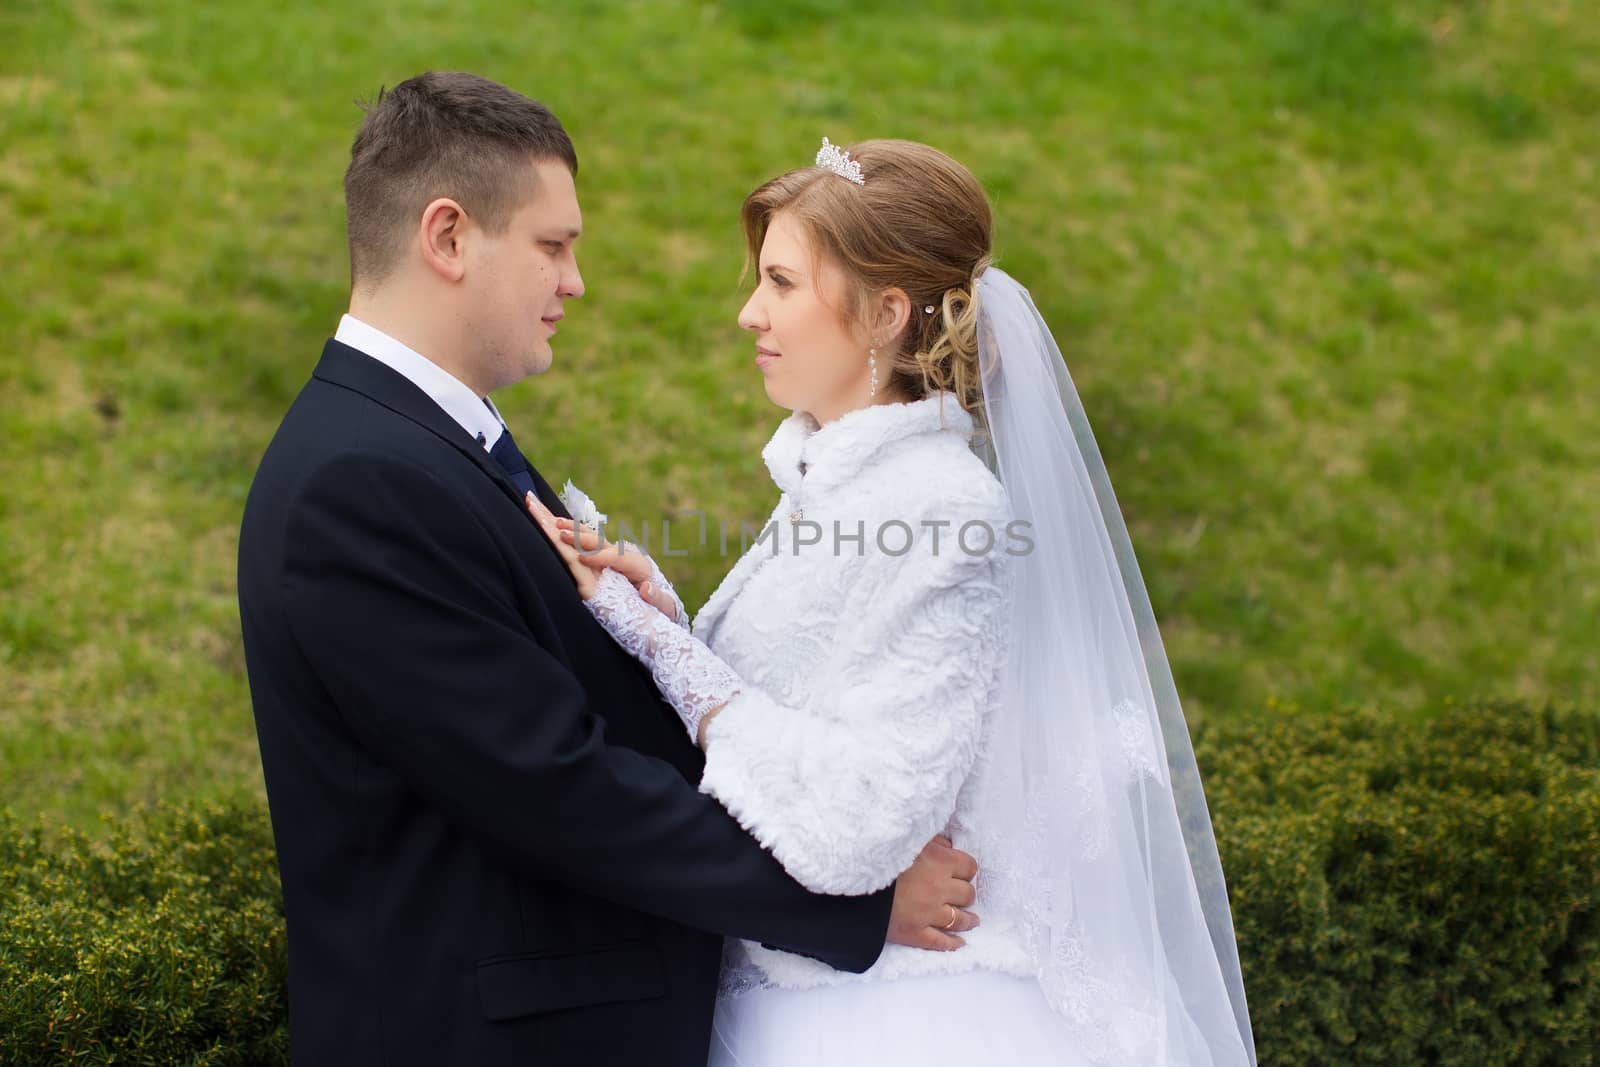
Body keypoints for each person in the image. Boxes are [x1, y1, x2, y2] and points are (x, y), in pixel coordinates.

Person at [236, 75, 979, 1067]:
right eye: (553, 245)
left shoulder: (418, 440)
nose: (575, 280)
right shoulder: (360, 482)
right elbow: (556, 785)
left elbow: (539, 706)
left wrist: (648, 624)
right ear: (448, 237)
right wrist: (855, 905)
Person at [528, 138, 1259, 1065]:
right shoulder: (844, 485)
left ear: (884, 315)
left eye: (782, 283)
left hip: (893, 1020)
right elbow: (810, 705)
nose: (748, 311)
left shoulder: (941, 510)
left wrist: (671, 656)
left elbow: (859, 822)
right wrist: (669, 621)